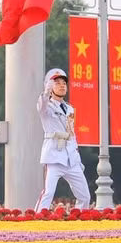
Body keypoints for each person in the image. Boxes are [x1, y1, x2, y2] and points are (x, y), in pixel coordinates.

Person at [34, 68, 90, 212]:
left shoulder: (70, 108)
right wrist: (46, 92)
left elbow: (72, 134)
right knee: (48, 192)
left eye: (64, 83)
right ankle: (38, 219)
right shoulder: (47, 106)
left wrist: (77, 157)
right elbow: (41, 106)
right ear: (51, 86)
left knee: (84, 195)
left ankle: (79, 219)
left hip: (71, 157)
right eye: (57, 83)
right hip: (54, 155)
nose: (62, 85)